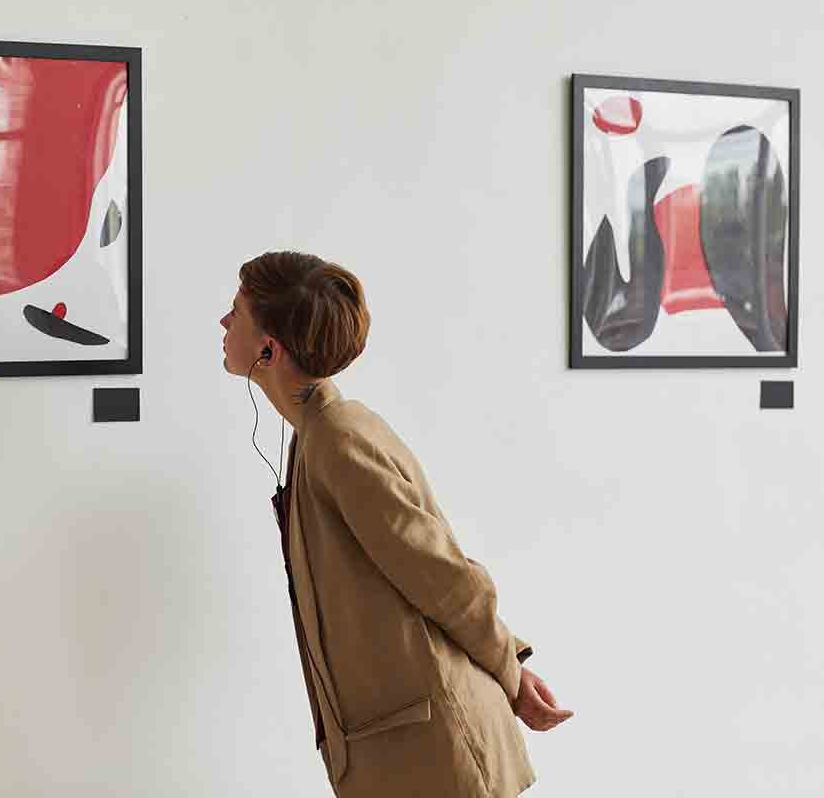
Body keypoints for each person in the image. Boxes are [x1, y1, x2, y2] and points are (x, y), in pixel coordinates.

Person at [220, 251, 572, 797]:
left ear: (270, 348)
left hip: (437, 752)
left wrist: (510, 670)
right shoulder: (319, 434)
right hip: (409, 749)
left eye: (237, 311)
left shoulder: (337, 440)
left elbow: (443, 576)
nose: (223, 322)